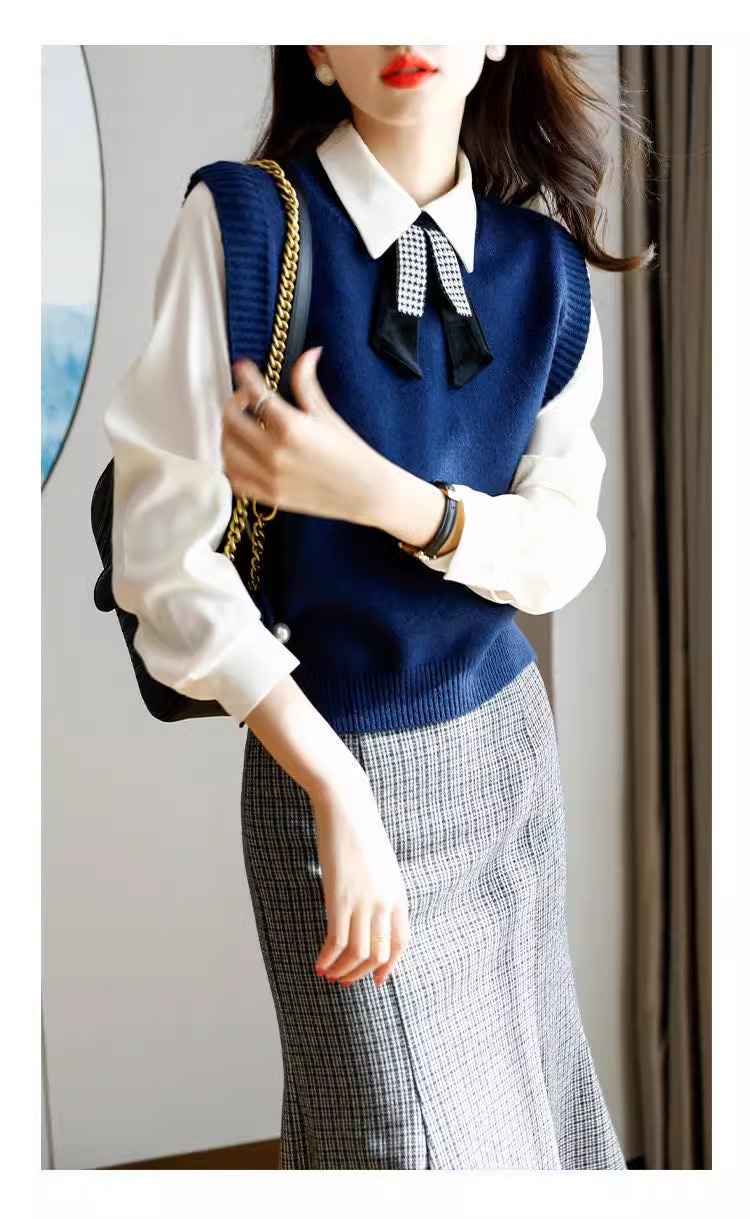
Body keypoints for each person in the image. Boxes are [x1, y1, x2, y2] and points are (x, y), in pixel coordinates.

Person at [104, 45, 652, 1170]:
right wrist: (335, 786)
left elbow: (561, 549)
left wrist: (382, 496)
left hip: (508, 756)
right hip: (331, 766)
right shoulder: (247, 229)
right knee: (394, 1146)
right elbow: (160, 560)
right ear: (316, 46)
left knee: (533, 1123)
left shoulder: (545, 270)